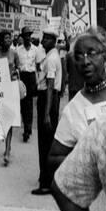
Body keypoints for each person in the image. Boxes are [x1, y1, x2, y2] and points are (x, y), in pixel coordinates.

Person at [51, 21, 106, 211]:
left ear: (105, 55)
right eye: (79, 56)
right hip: (99, 205)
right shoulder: (73, 110)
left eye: (91, 53)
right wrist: (91, 164)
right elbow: (54, 158)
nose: (85, 61)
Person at [31, 28, 62, 195]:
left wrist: (46, 114)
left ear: (53, 40)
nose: (43, 41)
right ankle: (48, 177)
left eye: (46, 39)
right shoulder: (51, 56)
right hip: (51, 99)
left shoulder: (51, 59)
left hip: (47, 99)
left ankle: (46, 183)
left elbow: (50, 87)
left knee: (45, 144)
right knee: (48, 142)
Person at [0, 30, 20, 166]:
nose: (9, 40)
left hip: (11, 89)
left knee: (9, 119)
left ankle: (7, 150)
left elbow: (18, 67)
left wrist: (16, 73)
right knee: (0, 119)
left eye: (9, 38)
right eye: (5, 38)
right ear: (0, 40)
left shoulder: (14, 53)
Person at [16, 26, 38, 142]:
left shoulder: (36, 49)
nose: (27, 37)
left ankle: (28, 128)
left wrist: (37, 81)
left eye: (29, 35)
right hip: (22, 76)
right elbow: (16, 65)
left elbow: (38, 66)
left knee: (29, 103)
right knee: (23, 102)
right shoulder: (18, 50)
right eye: (25, 35)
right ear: (22, 37)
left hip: (31, 77)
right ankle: (26, 126)